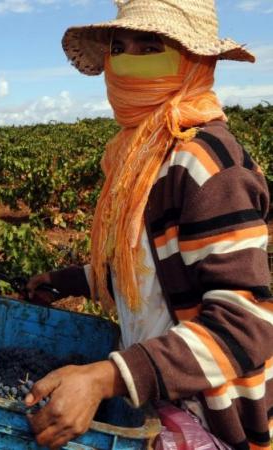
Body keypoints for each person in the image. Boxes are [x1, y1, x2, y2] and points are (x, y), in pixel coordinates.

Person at [24, 0, 272, 447]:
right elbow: (152, 268)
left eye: (151, 47)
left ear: (195, 62)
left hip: (213, 419)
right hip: (163, 404)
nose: (128, 63)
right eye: (119, 47)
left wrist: (107, 376)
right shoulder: (143, 155)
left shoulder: (204, 164)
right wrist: (68, 281)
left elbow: (244, 326)